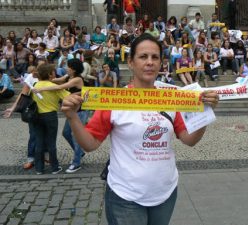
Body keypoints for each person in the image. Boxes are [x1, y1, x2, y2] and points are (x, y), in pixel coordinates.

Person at [61, 33, 219, 225]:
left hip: (165, 193)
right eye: (143, 57)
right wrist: (72, 117)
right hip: (125, 196)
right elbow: (90, 144)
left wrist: (204, 114)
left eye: (155, 57)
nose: (150, 62)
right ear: (131, 62)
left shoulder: (172, 99)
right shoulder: (114, 101)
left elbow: (189, 140)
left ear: (161, 63)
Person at [33, 59, 87, 173]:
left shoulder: (77, 79)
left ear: (74, 69)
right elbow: (55, 80)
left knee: (75, 136)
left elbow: (59, 87)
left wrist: (41, 88)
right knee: (66, 133)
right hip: (72, 110)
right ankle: (80, 152)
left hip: (81, 110)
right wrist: (41, 75)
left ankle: (76, 163)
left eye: (69, 67)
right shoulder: (68, 76)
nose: (67, 68)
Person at [32, 64, 70, 175]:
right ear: (50, 74)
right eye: (54, 72)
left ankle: (39, 168)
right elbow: (68, 97)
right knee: (51, 142)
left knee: (39, 142)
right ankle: (54, 167)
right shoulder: (53, 86)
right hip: (50, 116)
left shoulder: (34, 84)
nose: (55, 74)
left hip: (37, 116)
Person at [3, 66, 38, 169]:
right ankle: (31, 158)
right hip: (33, 110)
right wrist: (13, 107)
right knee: (33, 135)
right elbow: (23, 94)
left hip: (47, 109)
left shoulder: (49, 76)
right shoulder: (31, 77)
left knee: (45, 134)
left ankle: (44, 155)